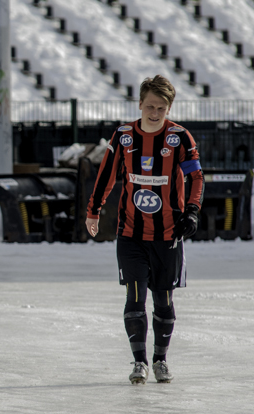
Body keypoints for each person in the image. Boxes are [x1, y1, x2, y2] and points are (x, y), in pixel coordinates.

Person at [85, 75, 204, 385]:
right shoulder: (123, 136)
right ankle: (139, 363)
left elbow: (196, 178)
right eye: (149, 106)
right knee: (135, 297)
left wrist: (191, 211)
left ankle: (160, 360)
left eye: (161, 108)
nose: (154, 113)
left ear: (168, 108)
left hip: (168, 234)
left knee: (163, 300)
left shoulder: (179, 137)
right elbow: (106, 176)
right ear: (139, 104)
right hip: (131, 234)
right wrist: (93, 211)